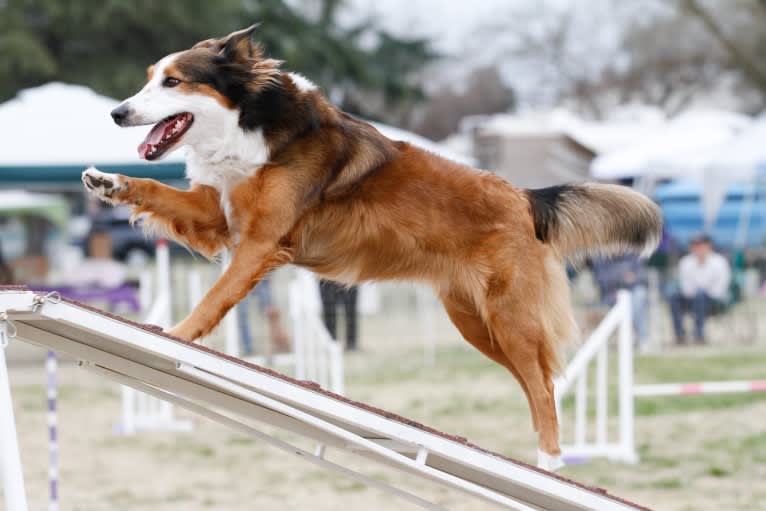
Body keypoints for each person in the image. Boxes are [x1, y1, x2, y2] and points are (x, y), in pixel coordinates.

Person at [668, 234, 731, 345]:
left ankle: (699, 335)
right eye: (695, 245)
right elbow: (685, 287)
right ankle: (679, 335)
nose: (698, 248)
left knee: (700, 295)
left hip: (714, 301)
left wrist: (703, 292)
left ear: (708, 246)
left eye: (701, 245)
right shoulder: (685, 262)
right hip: (692, 299)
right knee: (674, 296)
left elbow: (721, 287)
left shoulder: (719, 262)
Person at [592, 254, 649, 347]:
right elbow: (600, 279)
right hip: (611, 293)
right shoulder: (600, 257)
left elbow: (640, 276)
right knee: (630, 301)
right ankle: (635, 334)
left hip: (632, 292)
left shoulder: (633, 254)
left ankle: (639, 337)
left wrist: (630, 278)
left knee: (639, 295)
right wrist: (621, 276)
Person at [236, 275, 290, 356]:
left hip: (260, 275)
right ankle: (248, 348)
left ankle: (277, 345)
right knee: (243, 316)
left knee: (271, 313)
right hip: (241, 277)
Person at [319, 280, 359, 351]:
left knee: (351, 312)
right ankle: (330, 343)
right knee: (329, 312)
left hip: (349, 277)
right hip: (328, 279)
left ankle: (351, 344)